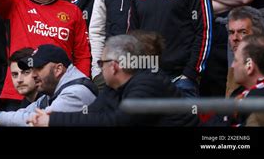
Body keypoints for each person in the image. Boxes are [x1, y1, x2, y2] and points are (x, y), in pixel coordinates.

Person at [28, 35, 198, 127]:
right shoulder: (115, 86)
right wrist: (55, 117)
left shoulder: (148, 83)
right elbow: (94, 112)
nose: (100, 68)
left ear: (114, 66)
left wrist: (54, 121)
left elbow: (117, 121)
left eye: (101, 63)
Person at [0, 44, 97, 127]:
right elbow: (24, 113)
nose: (33, 75)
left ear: (58, 69)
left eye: (39, 68)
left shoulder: (76, 92)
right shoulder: (51, 93)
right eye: (32, 69)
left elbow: (40, 121)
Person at [225, 6, 264, 97]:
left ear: (258, 35)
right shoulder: (234, 67)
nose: (235, 38)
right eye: (231, 32)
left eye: (243, 32)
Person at [230, 34, 264, 126]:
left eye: (235, 60)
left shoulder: (259, 101)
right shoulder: (238, 93)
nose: (232, 66)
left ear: (249, 66)